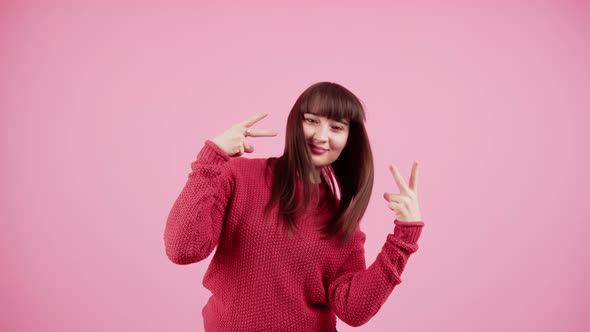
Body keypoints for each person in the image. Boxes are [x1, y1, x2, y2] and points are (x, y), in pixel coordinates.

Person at [164, 82, 425, 331]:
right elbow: (182, 250)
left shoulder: (341, 220)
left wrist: (403, 239)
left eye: (336, 127)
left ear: (348, 140)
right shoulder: (238, 176)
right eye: (311, 120)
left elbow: (354, 311)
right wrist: (212, 158)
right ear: (294, 123)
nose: (321, 136)